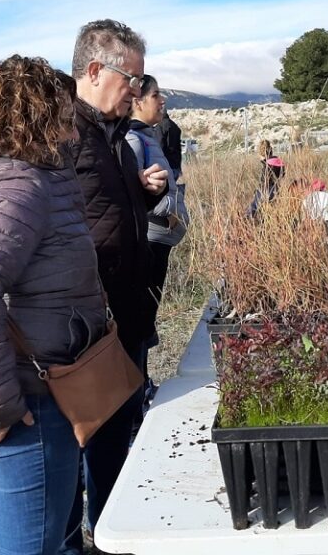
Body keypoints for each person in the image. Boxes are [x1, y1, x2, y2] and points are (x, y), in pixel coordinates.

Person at [0, 55, 107, 555]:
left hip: (36, 384)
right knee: (29, 545)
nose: (73, 123)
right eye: (64, 111)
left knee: (24, 536)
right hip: (24, 395)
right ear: (40, 115)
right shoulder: (19, 187)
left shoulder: (36, 176)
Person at [65, 18, 168, 550]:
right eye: (131, 79)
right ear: (94, 70)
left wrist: (142, 192)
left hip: (126, 313)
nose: (137, 90)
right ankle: (100, 534)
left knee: (118, 429)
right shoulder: (63, 137)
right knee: (93, 438)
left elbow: (106, 211)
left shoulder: (115, 139)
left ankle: (111, 529)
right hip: (91, 325)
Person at [125, 75, 189, 424]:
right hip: (149, 242)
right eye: (154, 95)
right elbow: (136, 198)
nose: (161, 100)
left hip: (158, 242)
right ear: (137, 100)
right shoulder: (134, 141)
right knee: (140, 318)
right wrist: (165, 209)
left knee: (146, 316)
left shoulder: (149, 136)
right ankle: (137, 392)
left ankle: (142, 384)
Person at [247, 139, 285, 218]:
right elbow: (282, 175)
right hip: (277, 190)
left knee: (252, 208)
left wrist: (258, 191)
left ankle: (248, 219)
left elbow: (265, 182)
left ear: (261, 153)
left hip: (267, 191)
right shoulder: (279, 162)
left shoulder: (267, 166)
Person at [157, 110, 183, 181]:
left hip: (166, 165)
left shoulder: (160, 126)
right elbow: (179, 147)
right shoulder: (175, 126)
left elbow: (160, 145)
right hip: (176, 164)